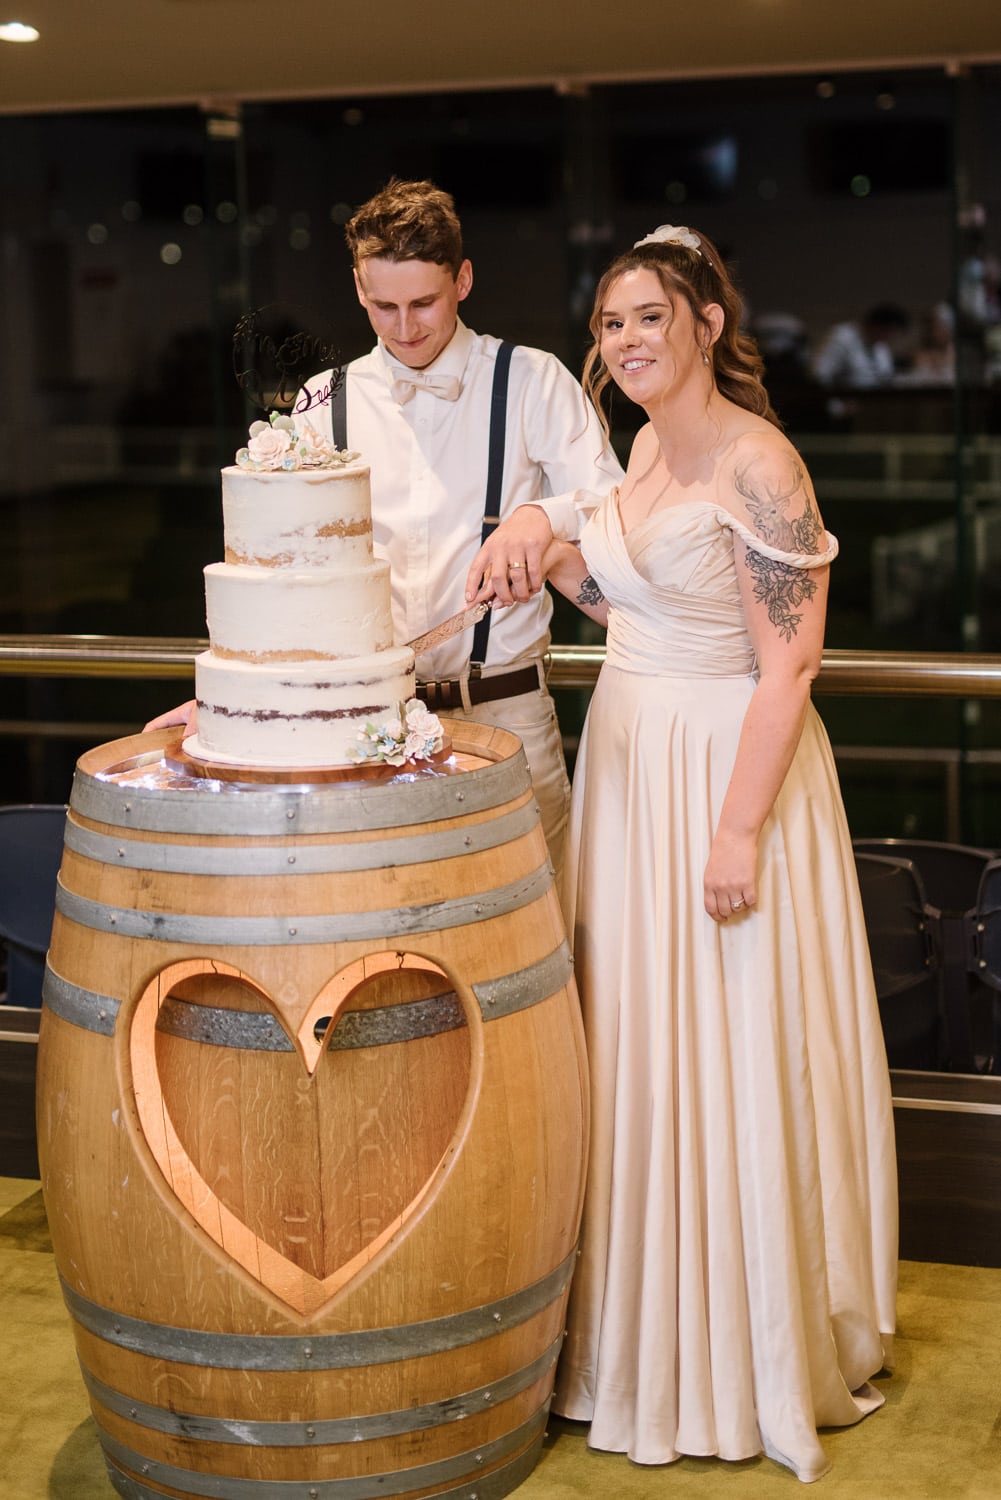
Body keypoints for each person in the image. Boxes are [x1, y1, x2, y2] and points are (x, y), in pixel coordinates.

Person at [471, 225, 897, 1482]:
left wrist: (735, 827)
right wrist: (540, 552)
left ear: (705, 324)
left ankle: (742, 1350)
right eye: (608, 325)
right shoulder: (649, 448)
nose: (625, 342)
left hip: (721, 772)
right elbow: (632, 599)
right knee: (650, 1045)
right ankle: (647, 1340)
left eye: (647, 317)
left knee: (734, 1038)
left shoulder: (761, 463)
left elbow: (790, 662)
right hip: (629, 766)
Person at [148, 179, 622, 881]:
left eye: (423, 303)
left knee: (537, 924)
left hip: (505, 711)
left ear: (461, 280)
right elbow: (280, 576)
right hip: (357, 721)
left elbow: (612, 501)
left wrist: (539, 515)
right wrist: (233, 700)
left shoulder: (531, 381)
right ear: (358, 290)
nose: (404, 327)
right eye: (383, 306)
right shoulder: (319, 403)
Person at [811, 301, 910, 387]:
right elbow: (818, 375)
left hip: (870, 403)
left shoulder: (880, 346)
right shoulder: (841, 337)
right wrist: (837, 405)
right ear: (876, 326)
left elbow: (885, 377)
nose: (891, 337)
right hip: (843, 402)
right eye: (890, 331)